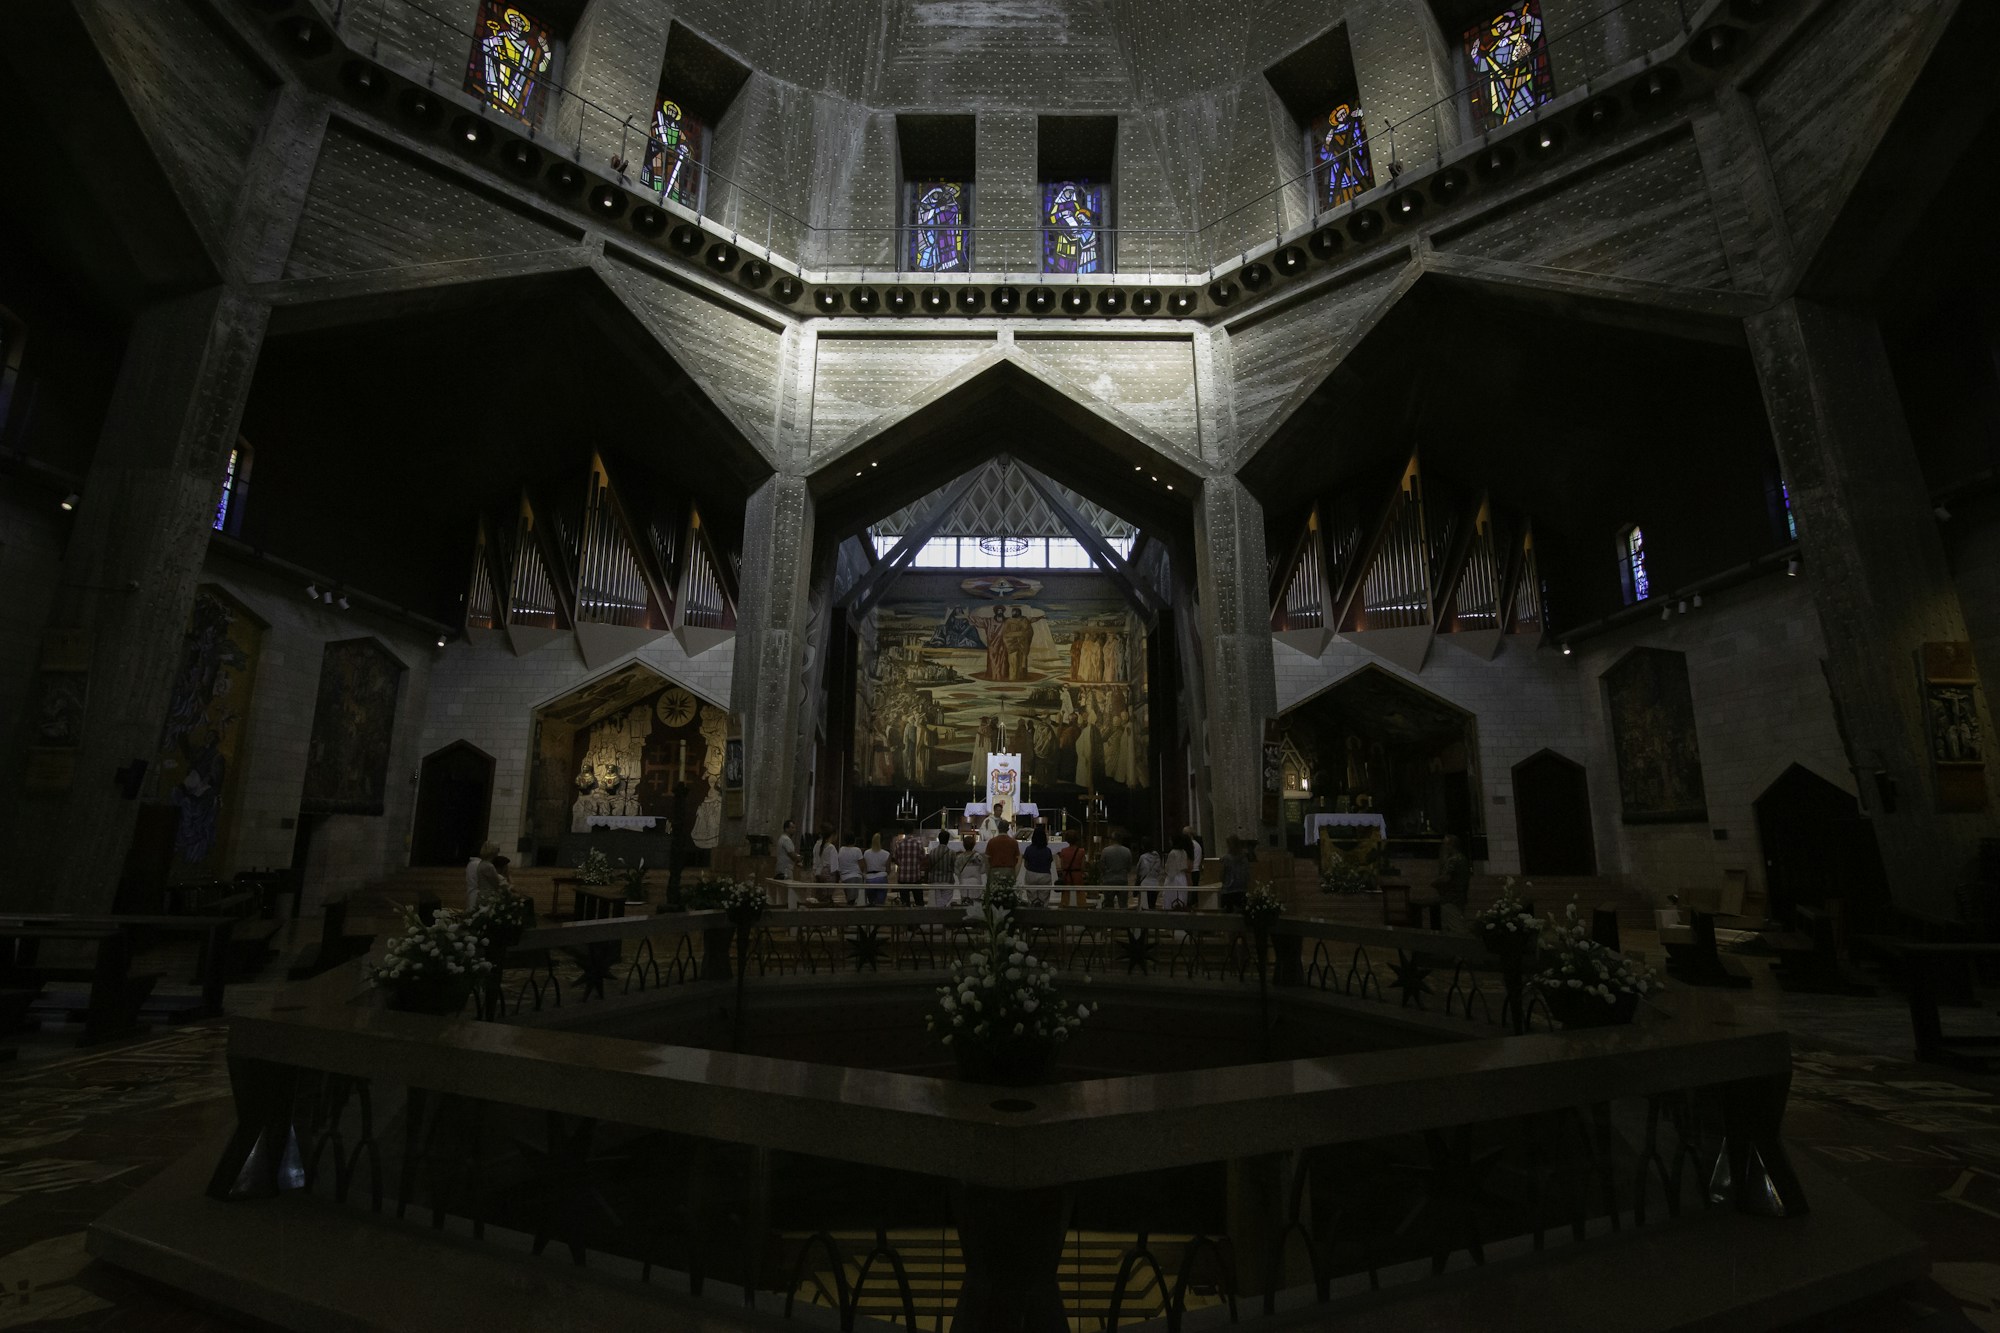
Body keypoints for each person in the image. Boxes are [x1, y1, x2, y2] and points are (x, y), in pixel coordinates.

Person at [1433, 834, 1473, 934]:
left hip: (1450, 898)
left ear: (1450, 845)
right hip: (1459, 897)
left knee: (1456, 929)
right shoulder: (1462, 858)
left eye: (1444, 844)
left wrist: (1435, 883)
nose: (1443, 847)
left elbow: (1446, 878)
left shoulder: (1453, 860)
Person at [891, 824, 929, 906]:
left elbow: (895, 859)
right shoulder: (918, 843)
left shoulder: (899, 844)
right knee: (919, 902)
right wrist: (917, 865)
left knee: (905, 903)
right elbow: (924, 858)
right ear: (913, 831)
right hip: (915, 876)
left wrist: (902, 865)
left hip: (903, 877)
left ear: (903, 831)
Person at [1098, 828, 1134, 908]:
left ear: (1111, 840)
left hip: (1108, 880)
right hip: (1122, 880)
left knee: (1108, 904)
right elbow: (1129, 868)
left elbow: (1102, 866)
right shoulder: (1127, 851)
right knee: (1123, 904)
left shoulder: (1106, 851)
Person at [1020, 825, 1055, 906]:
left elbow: (1025, 864)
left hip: (1031, 874)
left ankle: (1033, 911)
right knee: (1044, 899)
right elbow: (1049, 864)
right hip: (1045, 875)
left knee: (1032, 899)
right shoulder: (1048, 850)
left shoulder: (1029, 849)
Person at [1219, 837, 1252, 914]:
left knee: (1227, 915)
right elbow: (1248, 874)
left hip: (1228, 890)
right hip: (1242, 889)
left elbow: (1222, 875)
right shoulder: (1244, 858)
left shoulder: (1226, 858)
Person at [466, 841, 501, 911]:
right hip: (486, 895)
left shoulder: (478, 864)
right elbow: (497, 883)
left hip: (479, 893)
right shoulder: (487, 866)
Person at [985, 819, 1020, 885]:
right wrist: (1015, 874)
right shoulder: (1013, 842)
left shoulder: (992, 842)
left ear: (998, 828)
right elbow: (1017, 859)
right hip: (1009, 871)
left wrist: (988, 873)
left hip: (995, 871)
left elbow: (987, 859)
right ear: (1007, 829)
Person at [1162, 834, 1192, 910]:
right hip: (1182, 877)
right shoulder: (1184, 852)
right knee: (1181, 897)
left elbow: (1170, 869)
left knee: (1172, 898)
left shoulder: (1173, 853)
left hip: (1174, 878)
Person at [861, 833, 892, 905]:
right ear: (882, 842)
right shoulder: (886, 854)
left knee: (872, 902)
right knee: (880, 903)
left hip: (869, 879)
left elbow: (865, 868)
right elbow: (888, 870)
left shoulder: (866, 853)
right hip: (882, 878)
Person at [1135, 836, 1163, 910]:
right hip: (1155, 884)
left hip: (1144, 884)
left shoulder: (1142, 858)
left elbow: (1138, 871)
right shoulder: (1157, 857)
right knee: (1152, 906)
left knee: (1144, 907)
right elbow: (1159, 870)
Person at [836, 833, 865, 903]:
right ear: (854, 840)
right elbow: (862, 864)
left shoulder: (841, 849)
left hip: (845, 877)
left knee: (849, 897)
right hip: (856, 876)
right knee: (857, 899)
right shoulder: (857, 850)